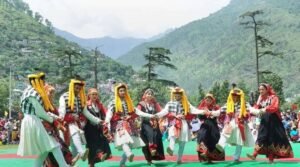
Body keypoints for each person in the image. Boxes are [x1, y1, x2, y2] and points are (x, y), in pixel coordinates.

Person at [17, 72, 69, 167]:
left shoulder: (28, 91)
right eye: (43, 81)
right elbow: (40, 112)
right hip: (33, 121)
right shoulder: (33, 93)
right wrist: (52, 120)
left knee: (44, 150)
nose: (44, 83)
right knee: (53, 145)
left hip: (31, 120)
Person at [104, 83, 154, 167]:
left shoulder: (129, 102)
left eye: (124, 90)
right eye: (121, 91)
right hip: (118, 125)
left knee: (130, 144)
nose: (123, 92)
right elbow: (109, 113)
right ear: (117, 92)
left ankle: (122, 163)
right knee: (124, 141)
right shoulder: (113, 103)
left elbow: (138, 112)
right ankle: (129, 154)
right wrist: (107, 121)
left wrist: (151, 115)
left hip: (130, 125)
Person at [155, 87, 206, 164]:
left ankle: (179, 159)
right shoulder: (170, 103)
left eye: (179, 95)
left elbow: (194, 110)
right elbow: (164, 112)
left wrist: (203, 111)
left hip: (184, 123)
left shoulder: (186, 103)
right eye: (176, 95)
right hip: (174, 122)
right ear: (173, 95)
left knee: (182, 142)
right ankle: (171, 149)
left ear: (182, 95)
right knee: (172, 135)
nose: (177, 96)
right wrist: (156, 115)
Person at [59, 79, 104, 162]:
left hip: (76, 124)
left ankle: (73, 160)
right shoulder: (64, 96)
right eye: (76, 88)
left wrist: (98, 120)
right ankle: (82, 152)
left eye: (79, 88)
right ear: (72, 87)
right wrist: (61, 122)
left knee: (74, 149)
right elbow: (61, 111)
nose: (78, 90)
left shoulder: (80, 98)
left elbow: (86, 112)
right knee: (74, 135)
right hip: (66, 124)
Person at [247, 83, 294, 163]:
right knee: (261, 137)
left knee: (272, 139)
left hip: (273, 121)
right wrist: (251, 108)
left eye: (262, 89)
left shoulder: (274, 97)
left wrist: (265, 109)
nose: (260, 91)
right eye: (259, 90)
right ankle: (254, 154)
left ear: (267, 90)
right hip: (264, 120)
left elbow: (274, 107)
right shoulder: (261, 99)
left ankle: (270, 159)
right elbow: (256, 108)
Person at [43, 84, 79, 167]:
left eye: (53, 93)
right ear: (45, 93)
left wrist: (61, 123)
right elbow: (48, 116)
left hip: (54, 131)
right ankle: (67, 164)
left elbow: (58, 116)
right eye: (50, 92)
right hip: (46, 131)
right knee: (53, 151)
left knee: (61, 147)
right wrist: (58, 121)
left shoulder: (52, 105)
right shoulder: (43, 104)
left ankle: (68, 163)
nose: (52, 95)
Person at [218, 87, 254, 162]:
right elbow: (219, 111)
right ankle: (221, 145)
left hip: (241, 123)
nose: (234, 97)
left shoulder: (245, 104)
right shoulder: (228, 103)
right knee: (225, 132)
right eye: (233, 95)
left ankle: (236, 157)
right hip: (232, 122)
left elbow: (252, 110)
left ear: (239, 96)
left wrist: (261, 111)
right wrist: (210, 112)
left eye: (236, 95)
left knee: (239, 141)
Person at [136, 88, 165, 165]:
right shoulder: (141, 104)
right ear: (145, 95)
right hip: (145, 124)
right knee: (146, 143)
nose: (150, 95)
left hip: (155, 124)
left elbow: (161, 112)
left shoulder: (155, 104)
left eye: (151, 94)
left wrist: (161, 116)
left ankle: (153, 151)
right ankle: (148, 159)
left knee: (156, 137)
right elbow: (137, 112)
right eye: (148, 94)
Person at [84, 88, 112, 167]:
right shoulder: (86, 105)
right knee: (93, 145)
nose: (94, 96)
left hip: (99, 128)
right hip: (89, 128)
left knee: (103, 141)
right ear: (89, 95)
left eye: (96, 94)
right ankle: (96, 158)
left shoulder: (100, 105)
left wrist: (105, 122)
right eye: (93, 94)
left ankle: (94, 162)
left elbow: (104, 114)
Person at [196, 93, 224, 163]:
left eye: (210, 99)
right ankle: (203, 156)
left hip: (213, 125)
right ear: (205, 100)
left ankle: (211, 157)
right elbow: (199, 117)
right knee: (202, 136)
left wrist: (212, 113)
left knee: (214, 139)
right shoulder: (202, 108)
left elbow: (220, 115)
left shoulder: (216, 107)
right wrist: (202, 113)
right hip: (205, 125)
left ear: (212, 100)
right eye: (207, 99)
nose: (208, 100)